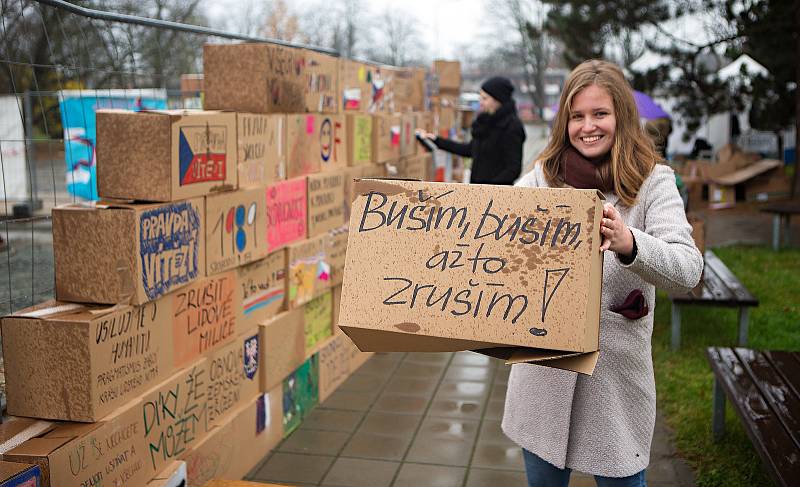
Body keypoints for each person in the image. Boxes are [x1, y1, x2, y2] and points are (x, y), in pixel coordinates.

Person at [503, 59, 703, 487]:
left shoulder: (653, 182)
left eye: (600, 114)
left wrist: (631, 243)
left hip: (613, 386)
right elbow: (493, 239)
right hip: (542, 378)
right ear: (564, 121)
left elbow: (688, 269)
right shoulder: (540, 180)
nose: (587, 126)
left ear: (621, 118)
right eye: (577, 116)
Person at [418, 76, 526, 185]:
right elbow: (469, 150)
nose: (481, 102)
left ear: (498, 100)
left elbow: (513, 169)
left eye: (485, 98)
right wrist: (437, 140)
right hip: (477, 191)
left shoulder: (512, 127)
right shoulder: (485, 122)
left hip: (496, 196)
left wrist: (490, 189)